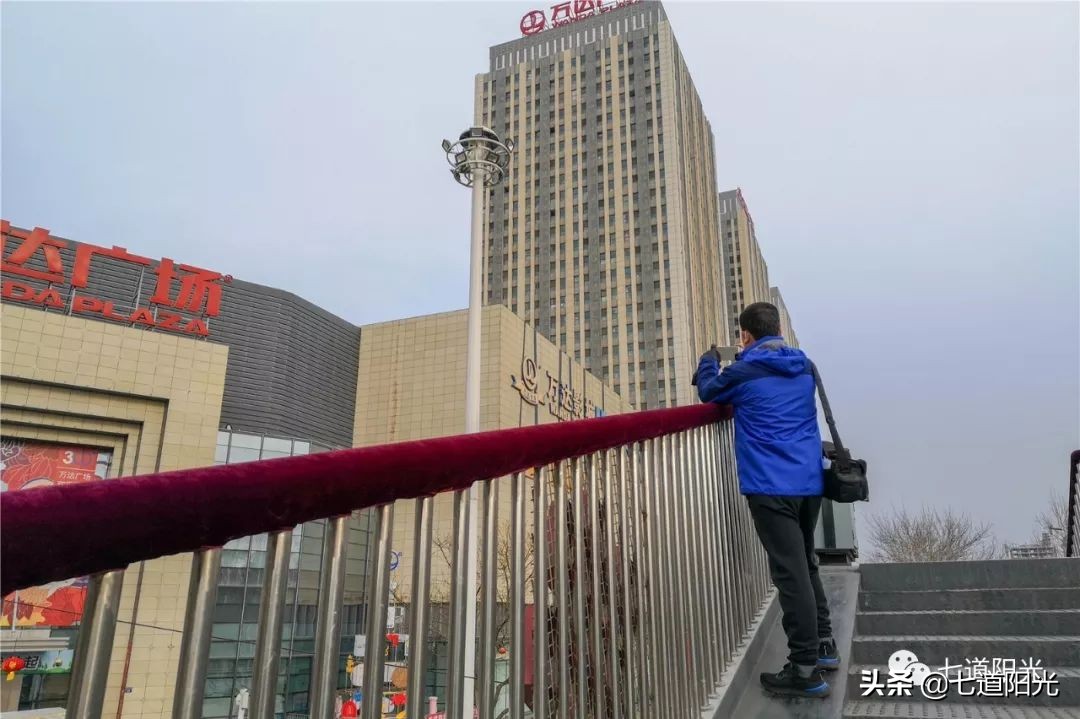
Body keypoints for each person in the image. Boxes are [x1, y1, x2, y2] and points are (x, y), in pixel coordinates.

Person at [694, 302, 839, 699]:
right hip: (809, 484)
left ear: (745, 335)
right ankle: (823, 646)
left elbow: (710, 392)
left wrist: (709, 362)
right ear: (777, 329)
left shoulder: (745, 370)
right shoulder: (803, 365)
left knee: (789, 574)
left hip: (771, 487)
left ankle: (805, 669)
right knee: (804, 565)